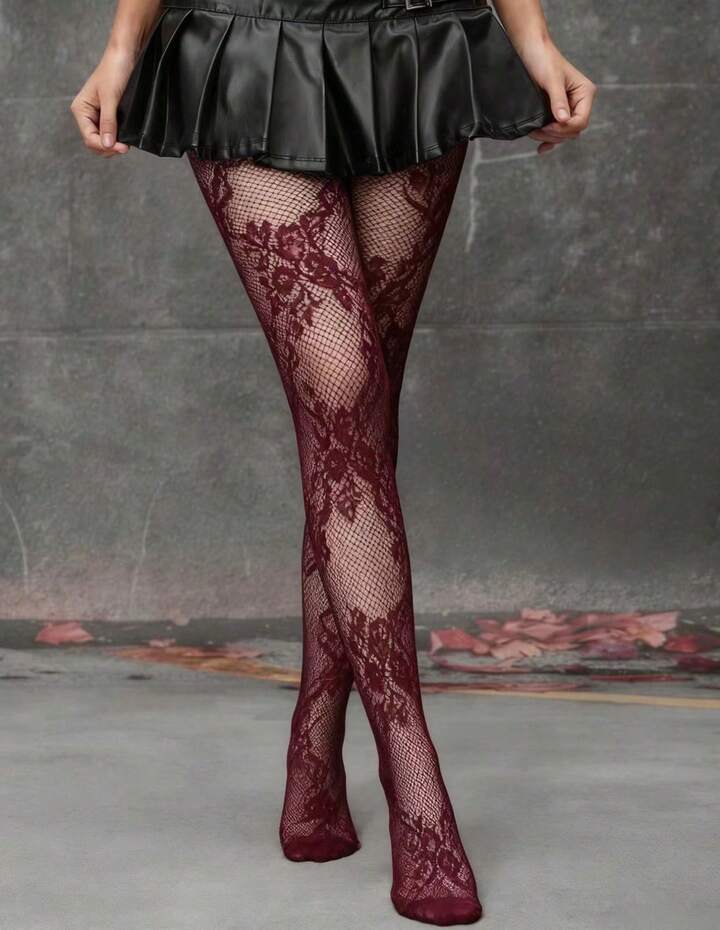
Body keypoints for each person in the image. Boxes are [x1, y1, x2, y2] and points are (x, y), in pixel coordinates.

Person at [71, 1, 595, 924]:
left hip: (414, 42)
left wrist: (535, 39)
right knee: (343, 387)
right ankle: (414, 773)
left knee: (356, 427)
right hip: (249, 41)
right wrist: (122, 46)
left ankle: (314, 742)